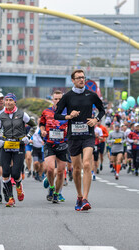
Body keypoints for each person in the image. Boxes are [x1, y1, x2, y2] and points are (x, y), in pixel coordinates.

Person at [54, 69, 105, 211]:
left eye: (83, 78)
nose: (81, 80)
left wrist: (96, 119)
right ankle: (79, 196)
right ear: (73, 80)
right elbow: (56, 115)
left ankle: (86, 199)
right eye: (78, 78)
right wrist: (69, 116)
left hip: (88, 135)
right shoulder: (67, 97)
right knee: (76, 169)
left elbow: (102, 110)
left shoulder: (91, 95)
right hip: (73, 136)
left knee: (87, 164)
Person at [0, 93, 37, 207]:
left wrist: (28, 137)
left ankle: (18, 185)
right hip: (6, 145)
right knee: (5, 173)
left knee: (16, 173)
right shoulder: (1, 116)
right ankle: (11, 198)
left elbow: (34, 126)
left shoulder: (22, 114)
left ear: (15, 102)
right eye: (6, 100)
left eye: (10, 100)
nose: (8, 102)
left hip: (19, 145)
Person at [40, 90, 68, 204]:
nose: (57, 101)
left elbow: (73, 125)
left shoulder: (68, 113)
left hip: (63, 144)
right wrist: (42, 131)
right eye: (55, 99)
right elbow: (41, 124)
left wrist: (68, 130)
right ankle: (51, 187)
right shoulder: (46, 112)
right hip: (49, 143)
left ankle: (56, 193)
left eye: (60, 99)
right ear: (52, 100)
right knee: (50, 169)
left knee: (61, 172)